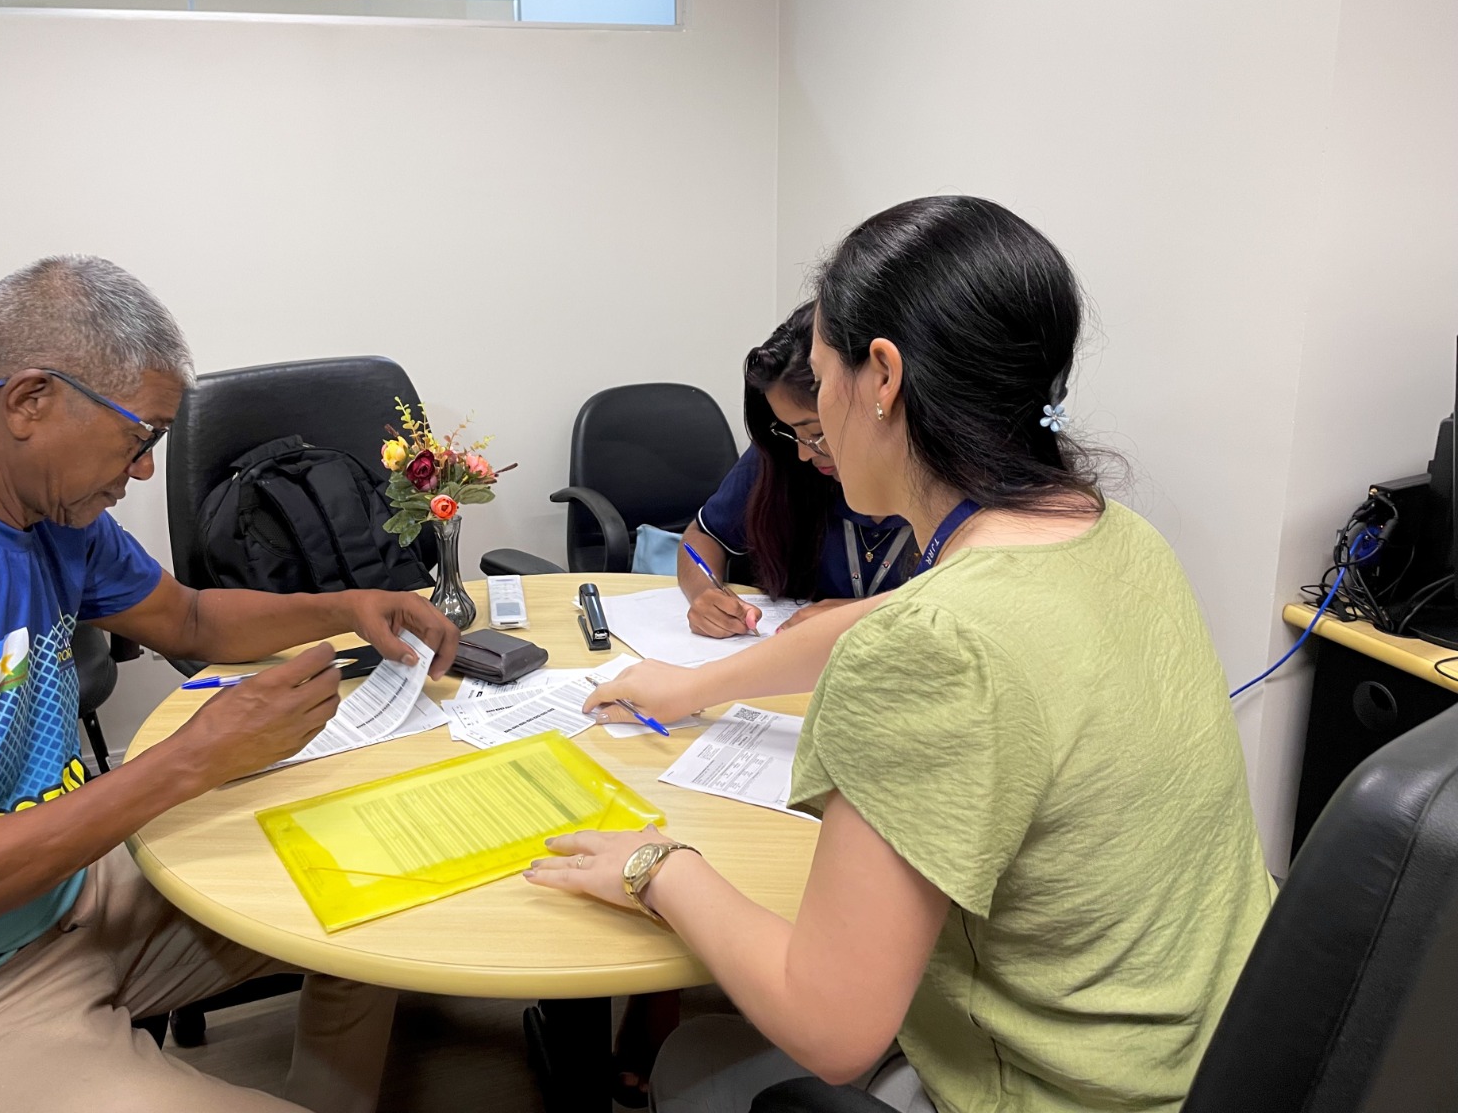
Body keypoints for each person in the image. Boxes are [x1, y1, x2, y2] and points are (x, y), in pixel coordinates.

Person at [530, 196, 1276, 1113]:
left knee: (697, 1060)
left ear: (879, 376)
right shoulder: (1118, 538)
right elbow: (919, 623)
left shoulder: (932, 645)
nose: (814, 435)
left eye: (822, 375)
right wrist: (697, 685)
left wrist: (658, 868)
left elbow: (832, 1029)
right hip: (1221, 1062)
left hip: (1056, 1093)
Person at [0, 257, 460, 1113]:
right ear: (32, 399)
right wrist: (189, 761)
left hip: (72, 890)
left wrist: (350, 605)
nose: (143, 472)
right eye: (142, 436)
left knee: (383, 875)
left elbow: (190, 622)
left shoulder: (48, 512)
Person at [680, 302, 917, 639]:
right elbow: (701, 536)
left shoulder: (950, 484)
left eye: (816, 431)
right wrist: (706, 594)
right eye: (791, 431)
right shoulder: (784, 458)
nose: (804, 453)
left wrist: (865, 614)